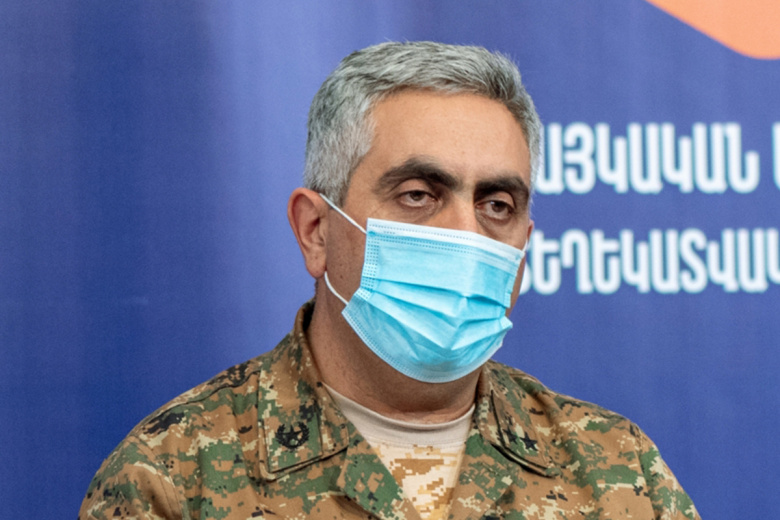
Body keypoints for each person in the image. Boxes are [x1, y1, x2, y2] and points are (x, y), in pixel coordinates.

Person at [79, 41, 699, 520]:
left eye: (497, 204)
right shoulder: (172, 477)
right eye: (418, 195)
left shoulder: (620, 471)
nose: (466, 233)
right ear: (316, 230)